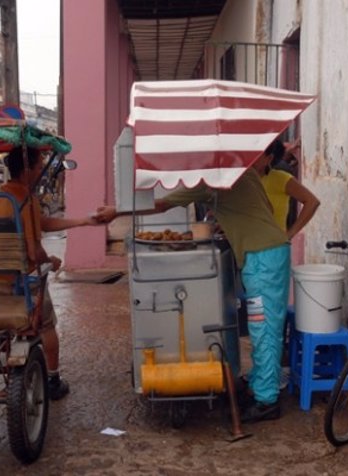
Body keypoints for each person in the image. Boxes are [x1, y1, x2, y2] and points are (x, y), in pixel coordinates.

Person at [95, 143, 291, 423]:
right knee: (264, 325)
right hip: (269, 251)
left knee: (263, 328)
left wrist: (116, 211)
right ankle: (261, 384)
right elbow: (265, 207)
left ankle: (267, 401)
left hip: (263, 258)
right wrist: (231, 220)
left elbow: (162, 204)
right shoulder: (242, 172)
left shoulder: (210, 182)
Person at [0, 147, 98, 400]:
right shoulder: (24, 200)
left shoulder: (5, 195)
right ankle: (52, 379)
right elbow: (34, 252)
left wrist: (82, 221)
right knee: (47, 324)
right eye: (39, 167)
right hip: (20, 279)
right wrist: (52, 261)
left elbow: (43, 223)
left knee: (9, 323)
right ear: (27, 170)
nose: (41, 172)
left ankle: (12, 369)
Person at [258, 138, 320, 239]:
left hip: (273, 244)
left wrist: (290, 234)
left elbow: (312, 202)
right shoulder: (244, 179)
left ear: (269, 158)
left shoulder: (279, 178)